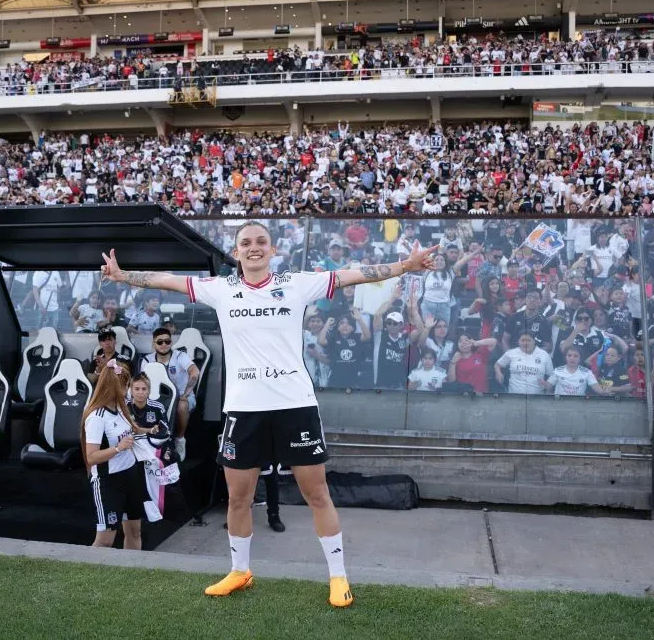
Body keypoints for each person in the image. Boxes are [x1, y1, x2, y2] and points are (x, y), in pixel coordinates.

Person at [100, 220, 438, 607]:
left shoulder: (296, 283)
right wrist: (122, 275)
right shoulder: (221, 289)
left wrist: (404, 266)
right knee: (238, 499)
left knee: (317, 494)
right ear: (237, 251)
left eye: (262, 241)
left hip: (295, 405)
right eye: (246, 242)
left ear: (273, 249)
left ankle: (338, 576)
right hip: (244, 410)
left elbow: (352, 275)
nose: (254, 247)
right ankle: (240, 571)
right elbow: (168, 280)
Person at [82, 359, 148, 549]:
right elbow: (91, 457)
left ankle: (132, 574)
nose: (129, 389)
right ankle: (88, 577)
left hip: (130, 475)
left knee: (134, 531)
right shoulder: (96, 417)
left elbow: (132, 431)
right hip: (108, 481)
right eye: (126, 385)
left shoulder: (121, 409)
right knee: (104, 540)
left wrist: (151, 432)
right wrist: (118, 448)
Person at [140, 327, 199, 460]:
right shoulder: (147, 360)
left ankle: (179, 439)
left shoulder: (180, 356)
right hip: (157, 397)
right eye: (159, 342)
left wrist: (186, 394)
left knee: (182, 406)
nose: (164, 345)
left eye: (167, 341)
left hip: (182, 396)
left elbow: (194, 372)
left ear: (171, 342)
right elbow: (142, 382)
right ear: (154, 344)